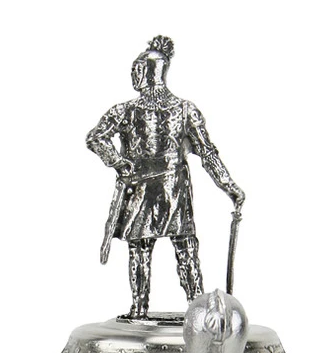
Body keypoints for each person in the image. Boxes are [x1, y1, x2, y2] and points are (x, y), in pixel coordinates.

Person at [87, 35, 244, 319]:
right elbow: (96, 138)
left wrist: (228, 185)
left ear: (144, 72)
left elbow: (207, 152)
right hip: (153, 188)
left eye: (137, 69)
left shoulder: (166, 110)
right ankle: (154, 309)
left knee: (176, 247)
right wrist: (119, 163)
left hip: (171, 189)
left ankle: (195, 310)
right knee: (161, 248)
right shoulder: (149, 110)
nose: (134, 75)